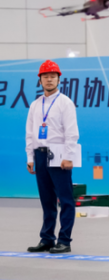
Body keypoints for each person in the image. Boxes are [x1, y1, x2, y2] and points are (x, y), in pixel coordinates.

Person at [26, 60, 79, 254]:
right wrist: (30, 156)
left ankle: (64, 240)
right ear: (40, 80)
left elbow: (72, 132)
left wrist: (68, 155)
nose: (49, 80)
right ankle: (47, 238)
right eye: (45, 76)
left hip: (59, 155)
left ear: (59, 80)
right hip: (40, 154)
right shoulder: (35, 105)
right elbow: (30, 133)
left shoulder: (65, 102)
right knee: (46, 200)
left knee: (65, 199)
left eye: (53, 76)